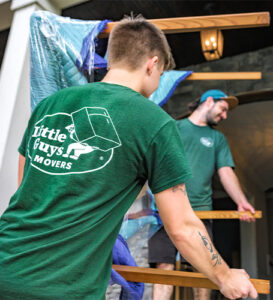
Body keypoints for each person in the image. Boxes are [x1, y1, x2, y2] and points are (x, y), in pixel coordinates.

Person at [0, 15, 257, 300]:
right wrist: (225, 276)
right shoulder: (155, 122)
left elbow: (25, 191)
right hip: (61, 288)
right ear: (153, 63)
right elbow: (182, 227)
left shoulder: (50, 105)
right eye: (161, 75)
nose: (158, 82)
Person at [149, 89, 256, 300]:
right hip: (165, 212)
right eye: (223, 109)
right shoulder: (175, 128)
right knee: (164, 268)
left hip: (201, 214)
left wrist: (242, 202)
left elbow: (225, 172)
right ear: (209, 101)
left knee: (204, 270)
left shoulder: (216, 138)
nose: (224, 116)